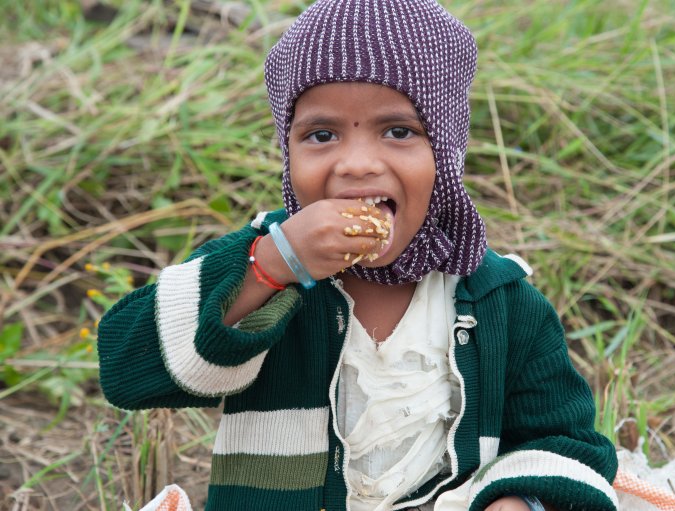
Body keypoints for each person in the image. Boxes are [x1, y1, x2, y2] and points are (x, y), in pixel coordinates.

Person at [97, 0, 619, 510]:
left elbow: (566, 441)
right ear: (288, 153)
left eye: (399, 131)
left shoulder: (499, 298)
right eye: (321, 135)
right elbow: (126, 366)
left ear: (447, 151)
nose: (357, 164)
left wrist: (518, 499)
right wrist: (271, 267)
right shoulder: (262, 265)